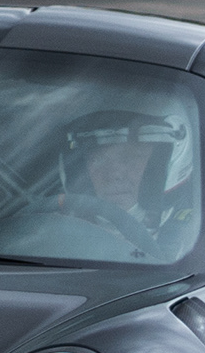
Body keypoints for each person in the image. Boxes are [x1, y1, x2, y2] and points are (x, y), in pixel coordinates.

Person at [54, 109, 190, 260]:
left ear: (159, 167)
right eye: (98, 159)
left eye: (131, 157)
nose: (115, 175)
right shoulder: (52, 233)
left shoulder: (194, 239)